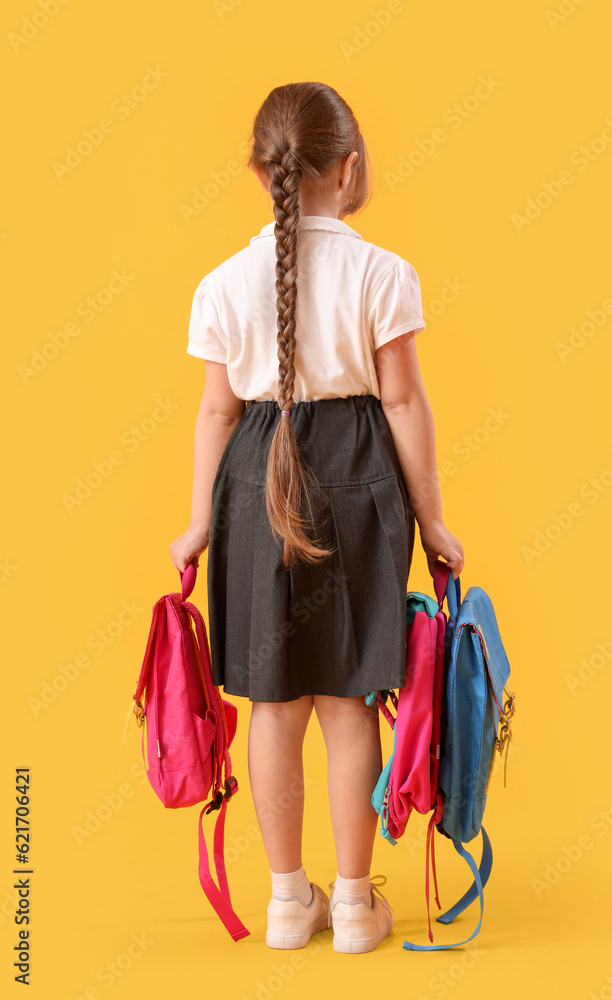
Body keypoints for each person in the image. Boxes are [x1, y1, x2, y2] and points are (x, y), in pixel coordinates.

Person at [169, 82, 464, 955]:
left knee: (273, 704)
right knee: (348, 703)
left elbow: (217, 416)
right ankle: (349, 905)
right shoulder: (383, 273)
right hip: (361, 481)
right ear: (350, 167)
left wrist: (196, 522)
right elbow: (404, 404)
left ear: (261, 172)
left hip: (254, 484)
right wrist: (433, 519)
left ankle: (286, 904)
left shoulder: (220, 282)